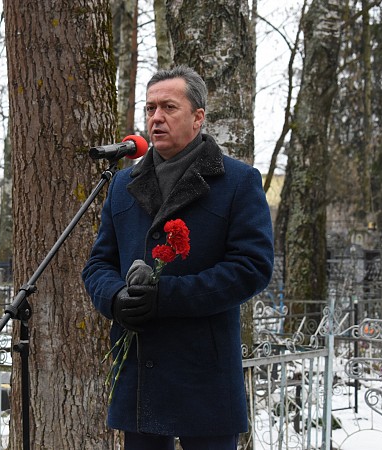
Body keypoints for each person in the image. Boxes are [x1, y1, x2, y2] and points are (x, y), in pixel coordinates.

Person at [82, 66, 274, 449]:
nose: (156, 117)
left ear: (198, 117)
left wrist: (166, 295)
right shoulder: (122, 184)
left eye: (169, 107)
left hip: (204, 373)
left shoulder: (237, 181)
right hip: (139, 369)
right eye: (150, 107)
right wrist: (115, 298)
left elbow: (252, 268)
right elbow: (98, 264)